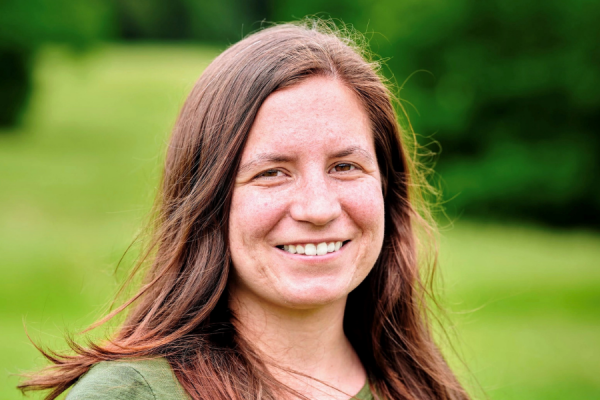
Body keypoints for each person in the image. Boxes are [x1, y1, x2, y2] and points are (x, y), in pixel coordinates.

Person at [19, 21, 469, 400]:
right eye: (272, 172)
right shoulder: (131, 394)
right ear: (208, 200)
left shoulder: (419, 387)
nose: (317, 207)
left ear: (388, 190)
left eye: (345, 166)